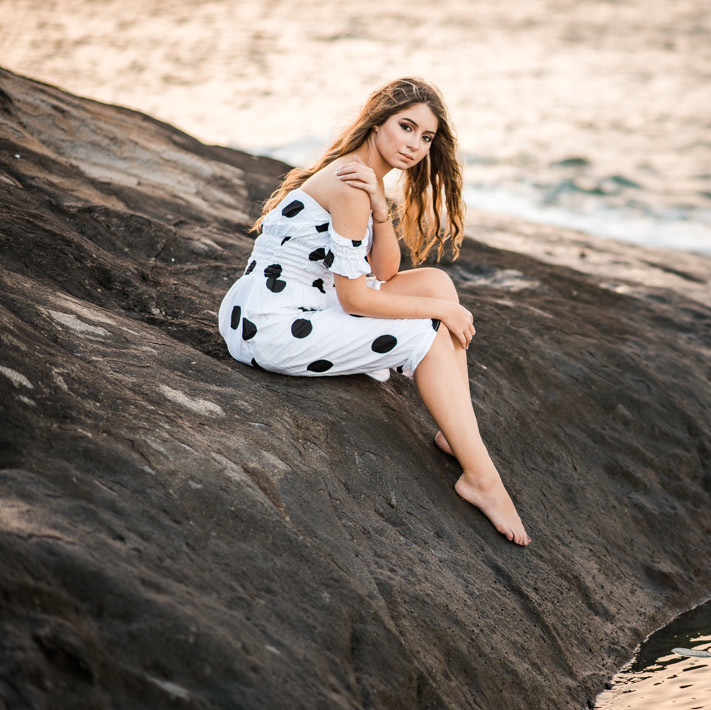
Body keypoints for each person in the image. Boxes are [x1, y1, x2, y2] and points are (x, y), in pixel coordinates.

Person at [218, 78, 530, 546]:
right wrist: (441, 312)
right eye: (406, 127)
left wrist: (383, 213)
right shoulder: (349, 182)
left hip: (276, 304)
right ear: (377, 120)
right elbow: (356, 300)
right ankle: (481, 479)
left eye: (426, 137)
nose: (415, 145)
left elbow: (381, 271)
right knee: (426, 327)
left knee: (435, 281)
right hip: (275, 325)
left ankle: (454, 432)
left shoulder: (365, 178)